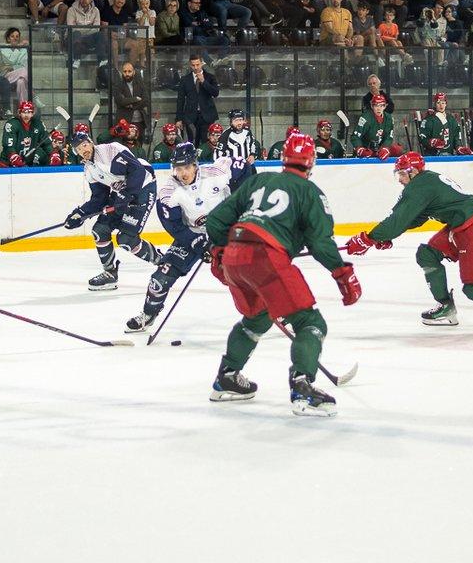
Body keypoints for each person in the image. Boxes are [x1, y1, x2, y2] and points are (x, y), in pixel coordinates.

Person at [204, 132, 361, 416]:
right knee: (310, 323)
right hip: (266, 257)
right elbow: (320, 242)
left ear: (283, 158)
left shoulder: (258, 180)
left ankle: (227, 377)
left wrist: (220, 253)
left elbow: (216, 221)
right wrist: (342, 273)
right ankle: (302, 387)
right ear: (311, 162)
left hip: (235, 255)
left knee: (257, 317)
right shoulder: (310, 192)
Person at [345, 151, 473, 328]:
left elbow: (398, 220)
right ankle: (445, 307)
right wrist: (382, 237)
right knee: (427, 254)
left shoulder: (419, 185)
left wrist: (368, 239)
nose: (399, 179)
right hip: (462, 224)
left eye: (401, 173)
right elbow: (415, 218)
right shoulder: (427, 181)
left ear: (413, 171)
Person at [125, 142, 253, 331]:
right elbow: (176, 228)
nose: (183, 173)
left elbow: (245, 168)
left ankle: (277, 309)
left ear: (195, 164)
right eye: (178, 168)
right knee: (160, 278)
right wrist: (200, 244)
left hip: (226, 231)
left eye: (186, 167)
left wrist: (240, 201)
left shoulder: (217, 172)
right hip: (192, 234)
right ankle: (149, 314)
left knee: (248, 274)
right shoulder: (169, 194)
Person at [63, 132, 162, 290]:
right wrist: (80, 214)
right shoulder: (89, 170)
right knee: (100, 230)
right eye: (78, 149)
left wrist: (126, 195)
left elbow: (137, 171)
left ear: (91, 142)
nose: (83, 150)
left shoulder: (110, 151)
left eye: (84, 145)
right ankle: (110, 274)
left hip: (144, 188)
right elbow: (99, 198)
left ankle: (163, 262)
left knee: (126, 239)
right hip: (122, 193)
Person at [175, 54, 219, 146]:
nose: (195, 67)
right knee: (192, 142)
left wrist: (203, 81)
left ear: (202, 63)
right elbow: (180, 100)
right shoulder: (185, 79)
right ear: (190, 65)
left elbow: (215, 93)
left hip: (207, 115)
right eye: (193, 65)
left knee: (206, 142)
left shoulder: (210, 77)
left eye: (197, 64)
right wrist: (179, 119)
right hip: (191, 116)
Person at [178, 0, 230, 65]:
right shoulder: (183, 14)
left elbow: (210, 25)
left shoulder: (202, 12)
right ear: (189, 3)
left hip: (205, 38)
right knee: (197, 39)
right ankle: (210, 62)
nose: (198, 5)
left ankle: (221, 59)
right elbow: (189, 27)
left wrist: (199, 23)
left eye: (199, 3)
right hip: (193, 40)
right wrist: (202, 24)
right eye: (196, 3)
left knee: (224, 39)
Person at [0, 100, 49, 167]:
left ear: (33, 113)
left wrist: (53, 154)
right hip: (7, 163)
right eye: (24, 112)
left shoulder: (38, 124)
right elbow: (8, 144)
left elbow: (47, 143)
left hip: (26, 163)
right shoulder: (12, 124)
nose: (26, 115)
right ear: (19, 113)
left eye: (29, 112)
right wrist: (12, 155)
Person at [352, 94, 403, 159]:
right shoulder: (365, 118)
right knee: (368, 154)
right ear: (372, 106)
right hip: (367, 148)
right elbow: (355, 136)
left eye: (381, 105)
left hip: (380, 148)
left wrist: (385, 148)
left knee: (397, 149)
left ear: (385, 106)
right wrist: (360, 149)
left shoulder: (389, 118)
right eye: (376, 105)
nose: (379, 108)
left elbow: (389, 137)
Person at [66, 0, 104, 69]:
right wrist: (87, 29)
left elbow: (96, 28)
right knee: (76, 34)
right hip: (74, 38)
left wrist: (81, 30)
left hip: (88, 39)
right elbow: (71, 28)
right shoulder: (71, 10)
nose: (84, 0)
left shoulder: (96, 10)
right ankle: (76, 59)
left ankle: (102, 61)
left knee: (100, 35)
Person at [114, 61, 148, 135]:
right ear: (122, 72)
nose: (127, 74)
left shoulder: (140, 84)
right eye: (125, 71)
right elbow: (120, 101)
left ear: (134, 72)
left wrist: (131, 105)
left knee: (140, 142)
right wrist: (135, 99)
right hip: (124, 122)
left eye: (129, 71)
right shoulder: (118, 85)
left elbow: (146, 100)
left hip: (140, 121)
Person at [0, 27, 30, 105]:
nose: (15, 38)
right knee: (24, 71)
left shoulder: (23, 49)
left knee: (21, 82)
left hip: (20, 76)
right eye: (12, 36)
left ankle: (23, 107)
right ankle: (34, 95)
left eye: (17, 36)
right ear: (8, 39)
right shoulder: (3, 48)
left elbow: (24, 64)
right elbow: (11, 60)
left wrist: (12, 67)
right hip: (6, 77)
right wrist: (18, 48)